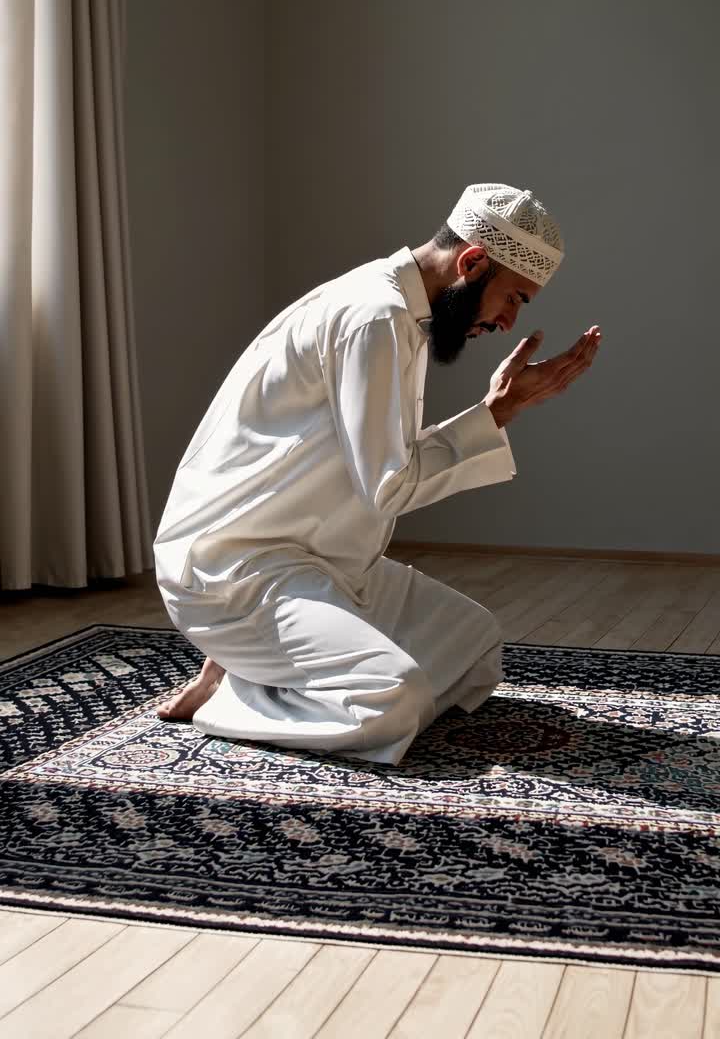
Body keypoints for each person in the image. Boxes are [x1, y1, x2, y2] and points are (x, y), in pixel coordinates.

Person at [154, 184, 601, 765]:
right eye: (513, 298)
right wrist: (499, 411)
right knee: (393, 699)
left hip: (326, 562)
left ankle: (286, 670)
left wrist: (500, 410)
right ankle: (240, 692)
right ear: (472, 262)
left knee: (476, 646)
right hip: (238, 570)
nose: (508, 322)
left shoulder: (400, 309)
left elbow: (380, 466)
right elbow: (390, 484)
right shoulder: (376, 316)